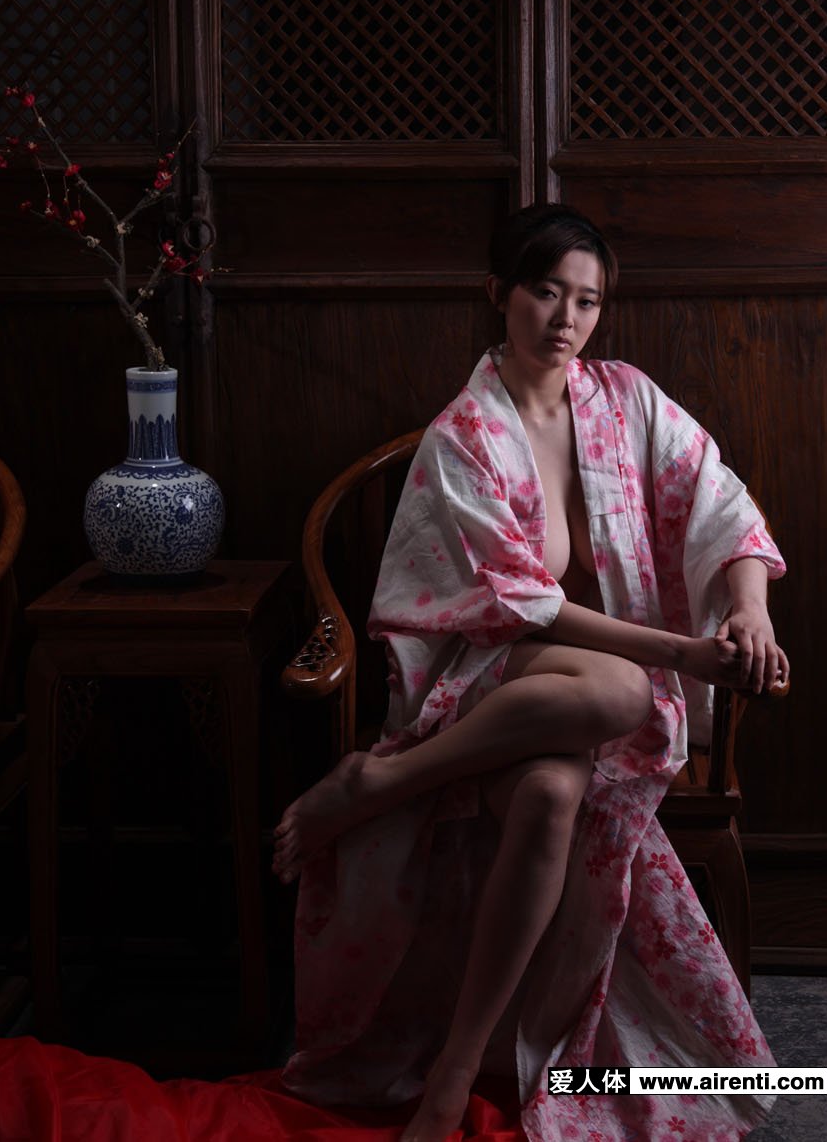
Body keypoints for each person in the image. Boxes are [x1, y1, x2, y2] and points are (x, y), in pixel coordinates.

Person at [273, 203, 788, 1142]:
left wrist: (749, 608)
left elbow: (722, 503)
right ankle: (385, 776)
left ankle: (456, 1071)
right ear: (499, 294)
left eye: (587, 300)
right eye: (546, 292)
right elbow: (519, 607)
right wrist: (679, 653)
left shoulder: (626, 400)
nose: (566, 319)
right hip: (485, 678)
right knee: (622, 688)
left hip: (567, 713)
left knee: (553, 794)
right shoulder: (467, 434)